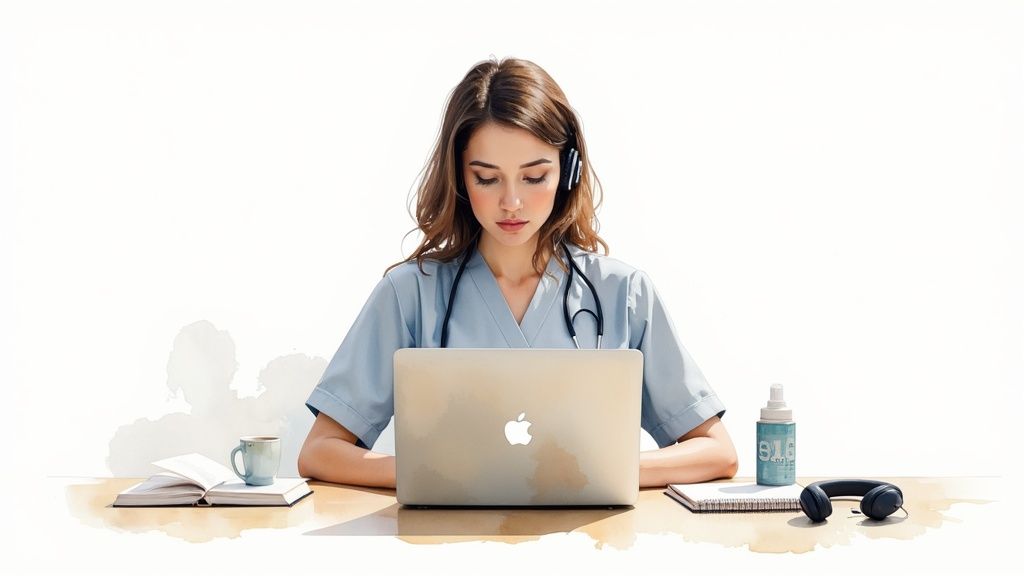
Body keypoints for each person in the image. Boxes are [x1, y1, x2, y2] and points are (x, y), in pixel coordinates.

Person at [298, 56, 738, 489]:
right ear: (460, 179)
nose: (512, 203)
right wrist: (431, 474)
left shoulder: (622, 293)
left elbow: (717, 452)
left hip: (591, 548)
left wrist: (596, 471)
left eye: (534, 177)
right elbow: (320, 451)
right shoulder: (409, 293)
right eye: (487, 178)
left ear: (568, 172)